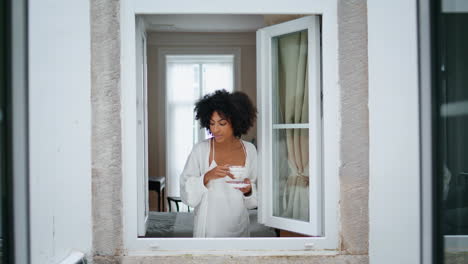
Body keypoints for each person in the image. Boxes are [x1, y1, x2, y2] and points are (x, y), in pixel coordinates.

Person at [179, 89, 258, 237]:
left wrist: (248, 190)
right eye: (212, 123)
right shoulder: (201, 150)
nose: (215, 129)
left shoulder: (250, 150)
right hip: (208, 229)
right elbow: (185, 192)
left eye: (222, 123)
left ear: (235, 121)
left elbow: (253, 197)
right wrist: (207, 177)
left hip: (238, 228)